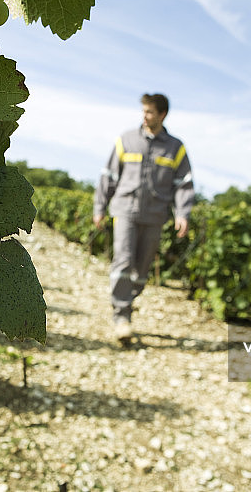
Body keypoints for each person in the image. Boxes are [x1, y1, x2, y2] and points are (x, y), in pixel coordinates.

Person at [93, 93, 195, 344]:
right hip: (125, 210)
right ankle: (122, 315)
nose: (145, 116)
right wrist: (100, 207)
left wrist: (182, 213)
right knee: (124, 261)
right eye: (144, 111)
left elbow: (184, 184)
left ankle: (128, 301)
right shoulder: (126, 140)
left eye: (150, 112)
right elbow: (109, 176)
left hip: (155, 216)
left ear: (162, 115)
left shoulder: (175, 147)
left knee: (141, 270)